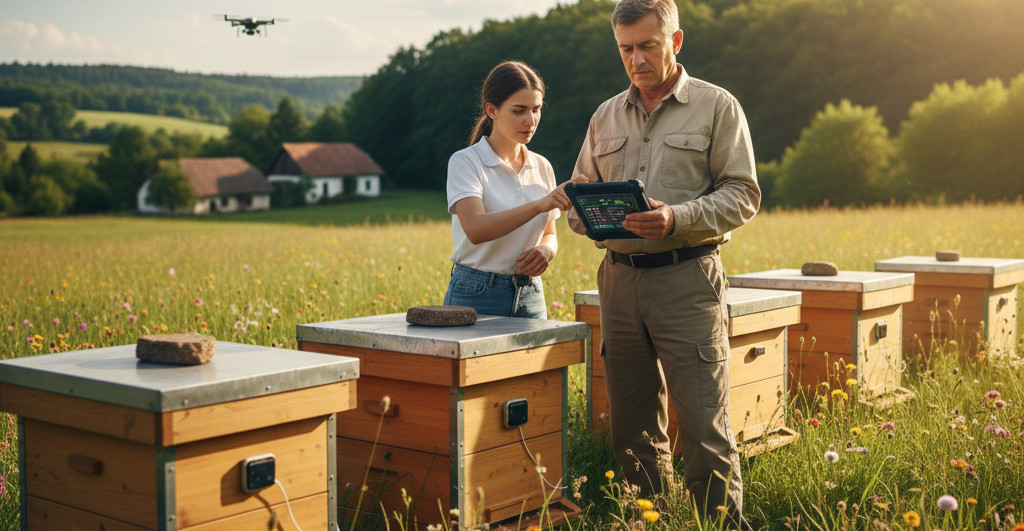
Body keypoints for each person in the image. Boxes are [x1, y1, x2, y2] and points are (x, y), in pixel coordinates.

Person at [567, 0, 760, 527]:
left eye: (647, 46)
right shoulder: (604, 115)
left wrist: (674, 217)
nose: (636, 59)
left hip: (687, 277)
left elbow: (743, 194)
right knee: (631, 427)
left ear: (675, 42)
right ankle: (645, 520)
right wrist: (586, 212)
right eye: (626, 49)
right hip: (619, 283)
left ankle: (720, 525)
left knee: (702, 425)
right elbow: (580, 198)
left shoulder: (717, 106)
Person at [444, 61, 586, 319]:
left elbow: (550, 234)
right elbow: (476, 229)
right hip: (475, 291)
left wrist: (546, 251)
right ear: (492, 110)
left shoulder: (542, 165)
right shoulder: (466, 162)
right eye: (519, 110)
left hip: (530, 291)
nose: (530, 120)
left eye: (536, 109)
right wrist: (540, 204)